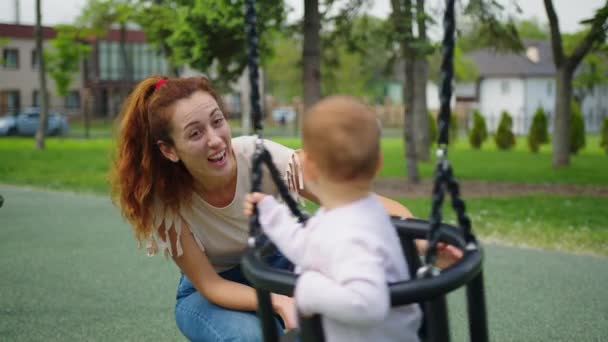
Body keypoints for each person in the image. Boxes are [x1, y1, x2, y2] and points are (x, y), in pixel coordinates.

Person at [110, 75, 457, 342]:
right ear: (170, 150)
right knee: (254, 337)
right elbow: (210, 284)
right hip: (214, 291)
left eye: (217, 122)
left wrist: (420, 241)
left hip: (283, 260)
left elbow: (356, 203)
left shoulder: (259, 158)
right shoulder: (165, 200)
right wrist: (280, 302)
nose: (215, 140)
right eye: (195, 133)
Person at [244, 96, 422, 342]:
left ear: (306, 167)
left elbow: (366, 304)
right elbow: (306, 246)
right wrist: (271, 213)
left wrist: (307, 290)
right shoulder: (348, 215)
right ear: (379, 163)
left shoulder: (355, 233)